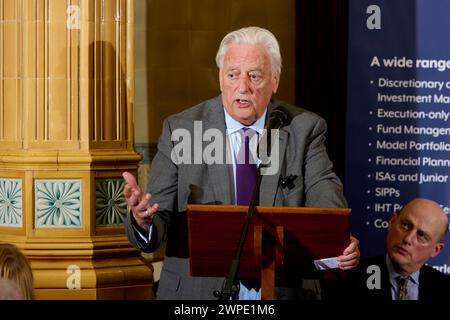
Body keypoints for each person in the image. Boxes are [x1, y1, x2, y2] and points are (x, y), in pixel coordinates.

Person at [123, 26, 359, 300]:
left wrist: (337, 240)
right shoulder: (181, 130)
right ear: (221, 79)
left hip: (281, 290)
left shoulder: (304, 129)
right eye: (233, 74)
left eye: (255, 76)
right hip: (197, 294)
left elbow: (327, 204)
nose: (242, 87)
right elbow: (157, 221)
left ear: (275, 80)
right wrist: (142, 221)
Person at [348, 198, 450, 300]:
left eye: (421, 235)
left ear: (436, 250)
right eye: (405, 225)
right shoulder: (353, 278)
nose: (408, 239)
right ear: (392, 222)